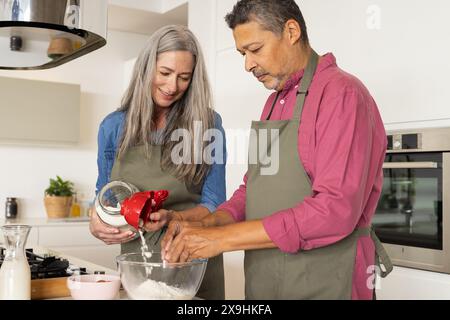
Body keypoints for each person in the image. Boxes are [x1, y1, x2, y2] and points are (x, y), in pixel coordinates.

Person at [161, 0, 393, 300]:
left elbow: (335, 210)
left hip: (327, 278)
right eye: (243, 54)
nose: (248, 65)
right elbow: (252, 191)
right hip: (267, 278)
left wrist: (220, 239)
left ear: (292, 31)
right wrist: (203, 224)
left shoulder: (343, 95)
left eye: (255, 49)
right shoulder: (275, 102)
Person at [89, 25, 226, 300]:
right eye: (164, 73)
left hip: (193, 262)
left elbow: (215, 204)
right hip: (138, 268)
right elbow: (104, 197)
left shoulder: (209, 126)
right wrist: (95, 220)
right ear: (146, 68)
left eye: (184, 77)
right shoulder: (114, 127)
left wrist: (175, 217)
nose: (172, 86)